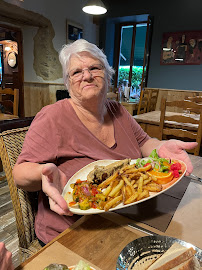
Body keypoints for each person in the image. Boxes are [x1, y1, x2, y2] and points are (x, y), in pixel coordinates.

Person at [12, 39, 197, 246]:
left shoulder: (118, 110)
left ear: (107, 74)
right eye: (76, 72)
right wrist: (42, 172)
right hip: (73, 232)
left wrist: (162, 146)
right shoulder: (53, 117)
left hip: (129, 221)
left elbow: (145, 142)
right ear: (67, 82)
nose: (87, 76)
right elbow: (19, 174)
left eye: (94, 68)